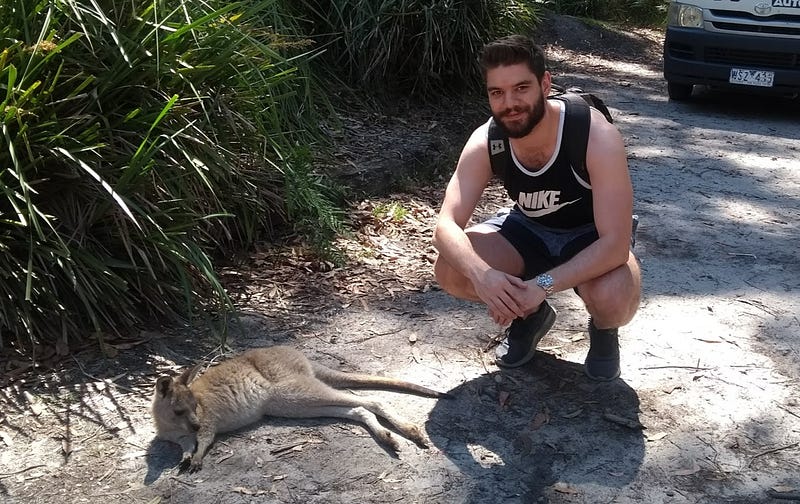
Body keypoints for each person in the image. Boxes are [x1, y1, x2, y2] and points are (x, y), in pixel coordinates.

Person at [432, 35, 641, 381]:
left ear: (545, 84)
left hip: (591, 235)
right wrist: (483, 277)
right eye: (497, 92)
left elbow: (615, 244)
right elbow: (445, 226)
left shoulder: (593, 134)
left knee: (614, 296)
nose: (510, 103)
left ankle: (604, 330)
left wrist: (541, 284)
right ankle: (530, 315)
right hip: (529, 228)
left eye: (521, 88)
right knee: (451, 269)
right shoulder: (488, 140)